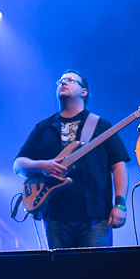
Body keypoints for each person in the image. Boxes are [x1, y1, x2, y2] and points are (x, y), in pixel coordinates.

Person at [13, 69, 130, 249]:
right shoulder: (44, 127)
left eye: (70, 80)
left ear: (84, 92)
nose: (63, 83)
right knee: (61, 274)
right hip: (55, 216)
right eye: (60, 81)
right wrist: (43, 166)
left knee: (95, 273)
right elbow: (18, 165)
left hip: (95, 216)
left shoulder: (100, 125)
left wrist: (120, 204)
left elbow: (118, 165)